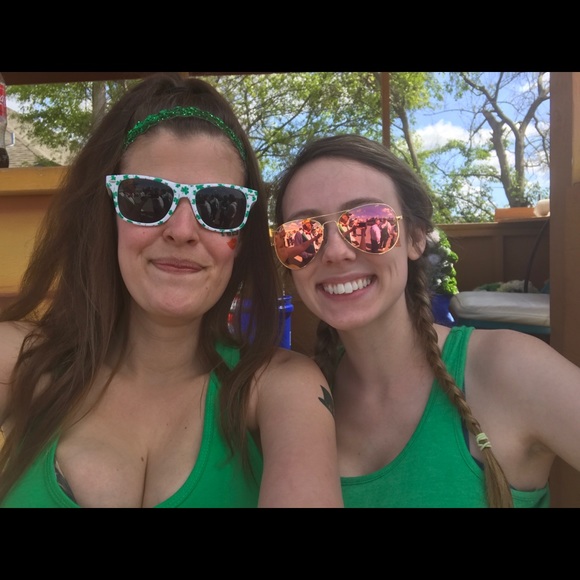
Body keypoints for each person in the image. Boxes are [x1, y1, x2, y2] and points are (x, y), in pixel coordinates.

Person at [0, 73, 342, 508]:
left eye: (219, 206)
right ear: (105, 216)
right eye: (147, 198)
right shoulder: (17, 359)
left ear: (243, 235)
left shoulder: (284, 388)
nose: (182, 230)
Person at [272, 133, 580, 508]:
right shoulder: (296, 397)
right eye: (302, 235)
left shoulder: (507, 368)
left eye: (369, 223)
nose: (335, 252)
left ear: (416, 238)